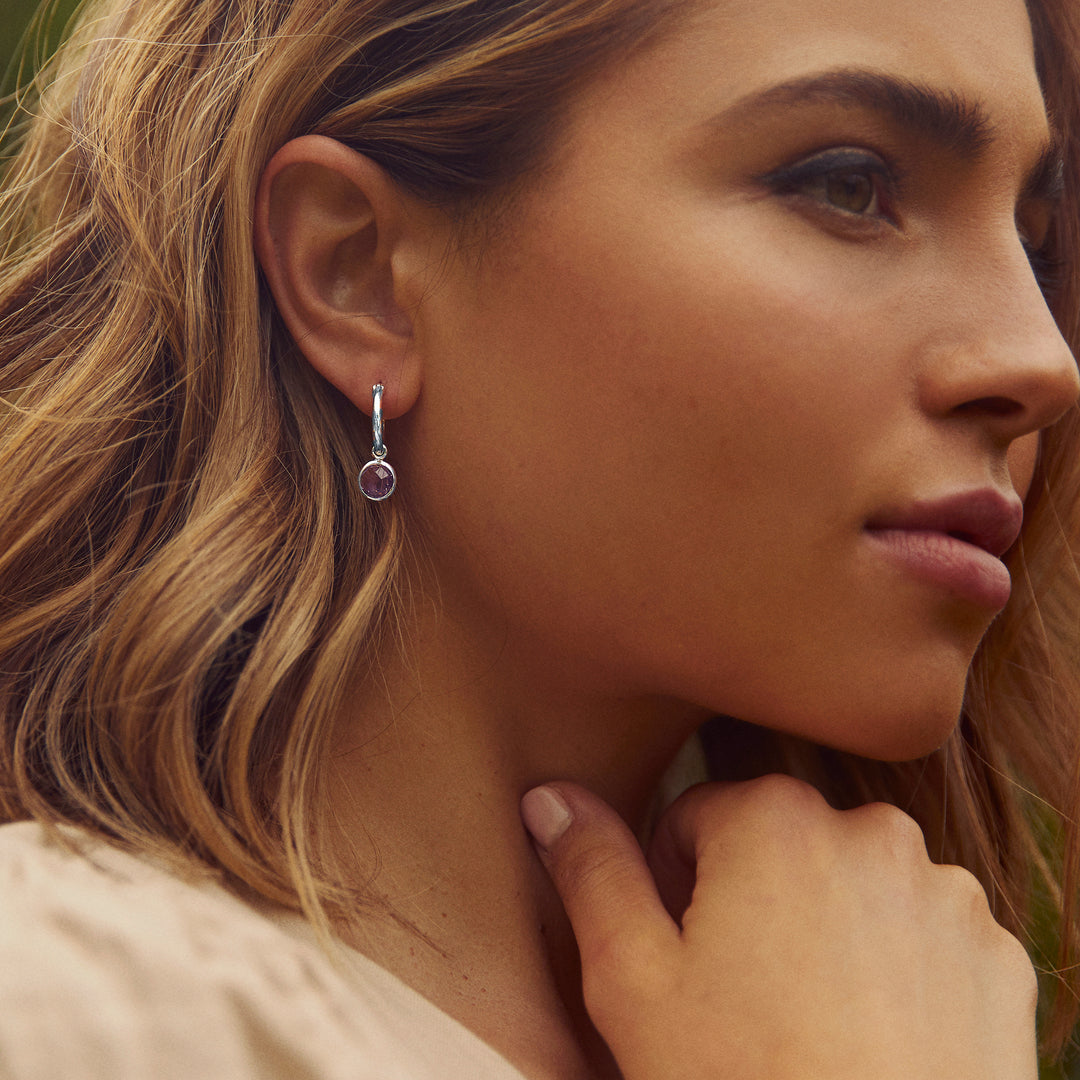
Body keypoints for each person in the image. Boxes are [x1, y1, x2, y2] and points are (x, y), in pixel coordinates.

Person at [0, 0, 1079, 1075]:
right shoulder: (71, 1003)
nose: (1040, 363)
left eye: (1034, 245)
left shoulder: (907, 1011)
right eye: (849, 186)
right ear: (358, 273)